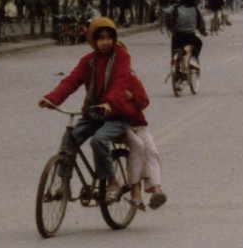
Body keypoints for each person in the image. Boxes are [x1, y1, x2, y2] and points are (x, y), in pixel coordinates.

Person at [38, 17, 131, 203]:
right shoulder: (88, 61)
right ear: (92, 40)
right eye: (100, 38)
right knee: (68, 141)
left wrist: (109, 103)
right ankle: (62, 186)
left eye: (108, 38)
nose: (105, 42)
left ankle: (112, 182)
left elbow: (120, 83)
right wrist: (51, 98)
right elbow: (71, 81)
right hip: (94, 112)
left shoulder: (121, 56)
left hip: (116, 113)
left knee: (98, 141)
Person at [117, 70, 167, 211]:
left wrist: (132, 96)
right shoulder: (108, 80)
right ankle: (135, 192)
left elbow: (144, 101)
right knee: (138, 147)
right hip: (121, 126)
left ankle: (156, 189)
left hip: (138, 125)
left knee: (151, 151)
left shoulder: (132, 79)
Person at [165, 0, 208, 69]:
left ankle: (174, 60)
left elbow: (166, 13)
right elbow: (200, 24)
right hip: (190, 37)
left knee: (175, 46)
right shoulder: (195, 10)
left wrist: (170, 27)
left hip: (177, 36)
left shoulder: (175, 8)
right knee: (198, 43)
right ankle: (193, 58)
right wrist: (203, 32)